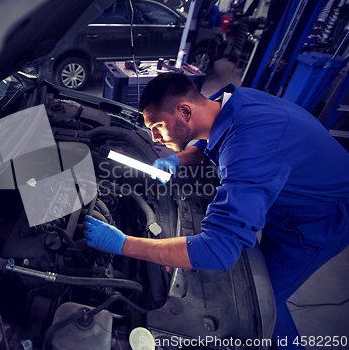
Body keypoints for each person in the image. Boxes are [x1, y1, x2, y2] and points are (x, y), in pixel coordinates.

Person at [83, 72, 349, 346]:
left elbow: (218, 250)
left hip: (319, 219)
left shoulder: (250, 149)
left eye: (158, 126)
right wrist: (178, 158)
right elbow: (211, 137)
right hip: (295, 186)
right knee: (262, 292)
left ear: (185, 110)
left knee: (261, 307)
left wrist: (124, 244)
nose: (155, 138)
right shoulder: (229, 101)